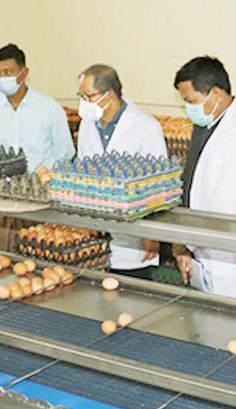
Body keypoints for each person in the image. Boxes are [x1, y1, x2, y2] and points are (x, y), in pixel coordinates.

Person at [171, 56, 236, 300]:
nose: (188, 108)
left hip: (230, 259)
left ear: (215, 93)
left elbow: (227, 208)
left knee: (230, 319)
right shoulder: (207, 125)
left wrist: (186, 241)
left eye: (191, 101)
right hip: (202, 248)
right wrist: (183, 244)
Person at [76, 64, 166, 277]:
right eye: (81, 96)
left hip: (135, 233)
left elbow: (158, 184)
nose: (83, 103)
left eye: (89, 96)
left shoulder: (146, 127)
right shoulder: (87, 125)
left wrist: (152, 233)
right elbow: (82, 175)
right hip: (97, 231)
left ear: (108, 95)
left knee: (134, 288)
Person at [0, 43, 74, 250]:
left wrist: (45, 180)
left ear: (24, 73)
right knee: (3, 251)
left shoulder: (49, 109)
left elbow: (65, 153)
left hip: (39, 195)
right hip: (4, 192)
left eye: (8, 72)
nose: (1, 78)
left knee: (39, 249)